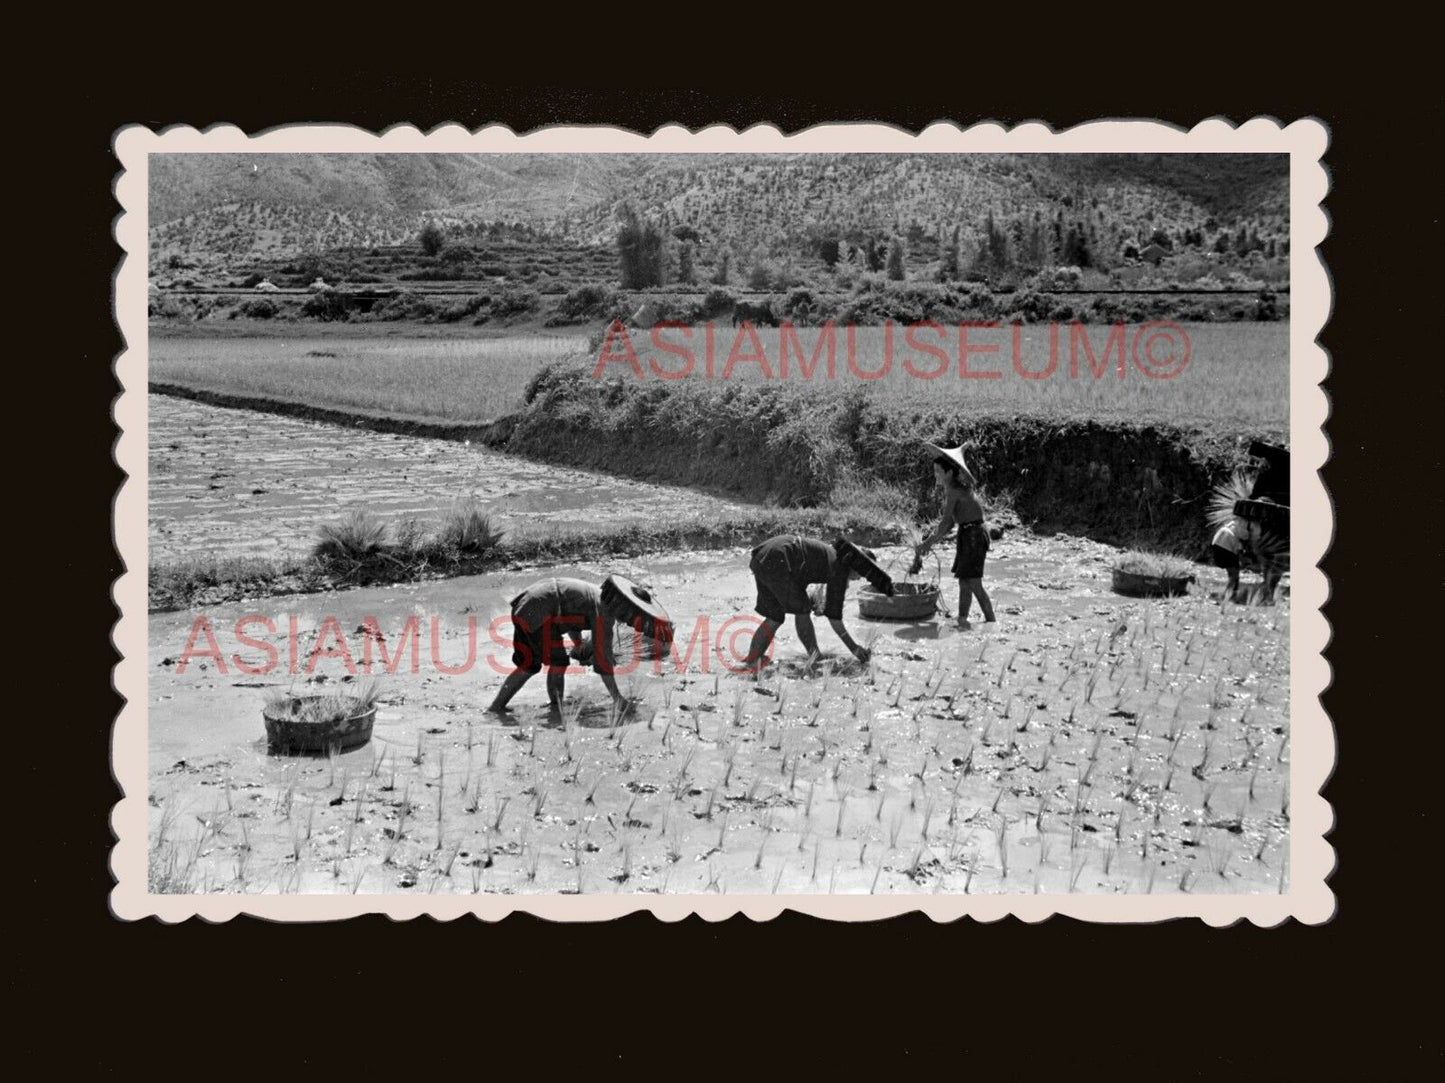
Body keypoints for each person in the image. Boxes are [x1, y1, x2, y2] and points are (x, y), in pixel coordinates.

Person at [488, 576, 663, 717]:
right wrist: (618, 698)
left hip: (528, 604)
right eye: (631, 616)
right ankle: (556, 709)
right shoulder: (604, 614)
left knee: (528, 665)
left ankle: (496, 708)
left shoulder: (596, 596)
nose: (629, 621)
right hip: (538, 611)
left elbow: (570, 620)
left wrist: (579, 645)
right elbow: (603, 663)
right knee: (558, 663)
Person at [740, 535, 882, 672]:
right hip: (780, 558)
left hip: (763, 556)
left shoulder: (835, 557)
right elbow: (835, 619)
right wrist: (854, 648)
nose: (860, 579)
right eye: (862, 574)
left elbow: (810, 578)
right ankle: (815, 656)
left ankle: (753, 659)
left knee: (775, 617)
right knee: (802, 610)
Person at [914, 442, 996, 628]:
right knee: (964, 582)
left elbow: (945, 523)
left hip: (973, 536)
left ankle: (992, 622)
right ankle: (962, 619)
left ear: (949, 473)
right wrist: (931, 541)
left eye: (938, 471)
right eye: (934, 470)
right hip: (968, 534)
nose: (935, 474)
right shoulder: (955, 489)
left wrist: (928, 543)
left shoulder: (954, 491)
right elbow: (951, 522)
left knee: (974, 583)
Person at [1211, 517, 1259, 600]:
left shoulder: (1237, 520)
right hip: (1226, 541)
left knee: (1233, 570)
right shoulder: (1247, 528)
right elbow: (1239, 553)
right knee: (1234, 573)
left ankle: (1231, 593)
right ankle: (1228, 595)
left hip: (1217, 540)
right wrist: (1247, 562)